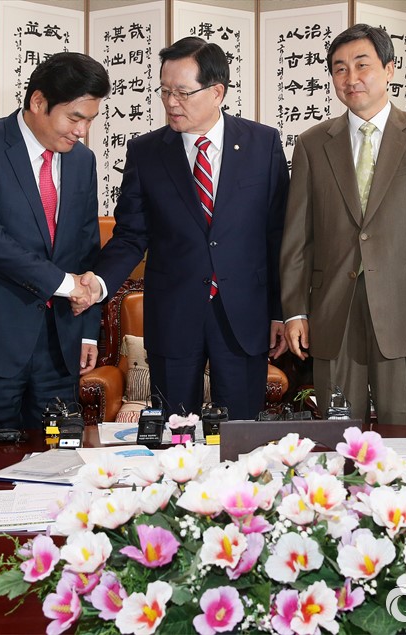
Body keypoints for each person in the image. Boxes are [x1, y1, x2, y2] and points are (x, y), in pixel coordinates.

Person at [73, 37, 289, 420]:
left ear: (217, 92)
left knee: (241, 433)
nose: (171, 102)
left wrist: (280, 312)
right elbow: (130, 235)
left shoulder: (262, 143)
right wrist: (100, 283)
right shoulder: (146, 152)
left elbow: (278, 235)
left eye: (183, 92)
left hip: (243, 315)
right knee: (175, 435)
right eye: (165, 91)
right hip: (173, 315)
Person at [280, 24, 406, 424]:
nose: (350, 77)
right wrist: (294, 311)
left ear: (389, 69)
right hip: (332, 309)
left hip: (405, 310)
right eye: (339, 68)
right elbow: (297, 237)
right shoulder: (312, 143)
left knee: (403, 431)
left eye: (361, 65)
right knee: (338, 431)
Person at [0, 52, 111, 434]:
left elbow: (86, 247)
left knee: (58, 456)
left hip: (60, 345)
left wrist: (87, 330)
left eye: (90, 119)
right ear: (38, 101)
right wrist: (64, 284)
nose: (82, 130)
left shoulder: (82, 161)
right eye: (75, 117)